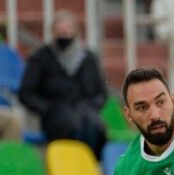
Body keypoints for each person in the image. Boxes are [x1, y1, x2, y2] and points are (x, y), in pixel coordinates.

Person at [17, 10, 107, 157]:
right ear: (52, 32)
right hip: (56, 117)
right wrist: (48, 109)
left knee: (95, 127)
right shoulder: (40, 57)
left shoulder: (89, 58)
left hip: (87, 114)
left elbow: (101, 92)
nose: (64, 34)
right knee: (70, 126)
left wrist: (91, 107)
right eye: (59, 31)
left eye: (67, 30)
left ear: (75, 31)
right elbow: (25, 93)